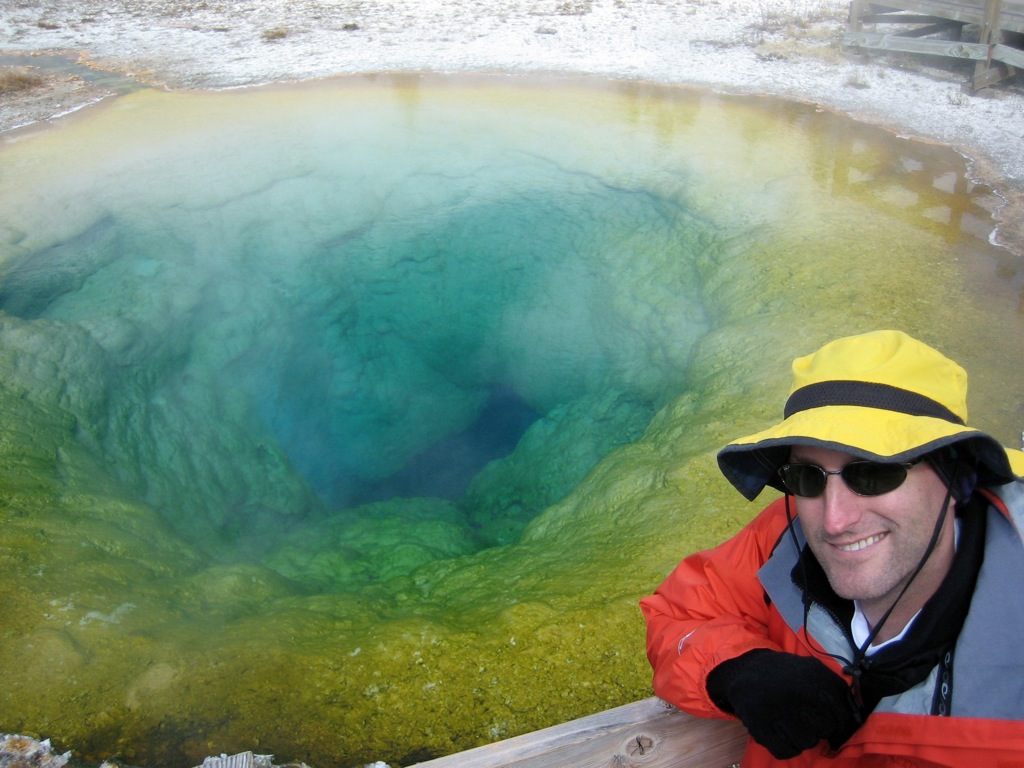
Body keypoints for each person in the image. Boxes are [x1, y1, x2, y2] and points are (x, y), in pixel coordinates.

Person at [640, 330, 1024, 766]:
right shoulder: (784, 536)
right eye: (808, 478)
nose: (835, 520)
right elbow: (680, 612)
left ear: (958, 477)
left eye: (874, 474)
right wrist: (736, 667)